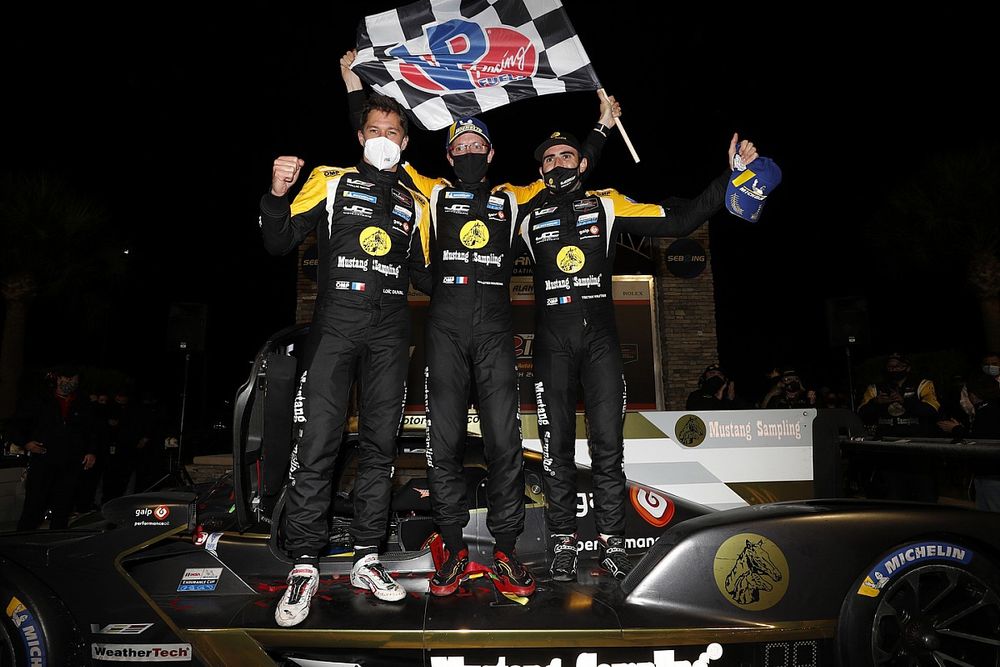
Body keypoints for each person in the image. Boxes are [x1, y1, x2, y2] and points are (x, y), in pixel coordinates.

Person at [339, 51, 618, 597]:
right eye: (459, 146)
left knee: (503, 444)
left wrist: (602, 129)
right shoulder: (432, 192)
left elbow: (565, 173)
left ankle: (508, 550)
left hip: (493, 333)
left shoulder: (513, 199)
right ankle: (454, 550)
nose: (468, 151)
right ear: (448, 154)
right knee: (442, 444)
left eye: (477, 145)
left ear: (490, 153)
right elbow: (379, 151)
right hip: (442, 332)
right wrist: (354, 89)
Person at [520, 129, 760, 581]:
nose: (558, 163)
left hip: (600, 345)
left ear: (582, 163)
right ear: (540, 170)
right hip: (552, 345)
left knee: (608, 447)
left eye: (567, 155)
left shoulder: (607, 203)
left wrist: (730, 177)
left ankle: (612, 542)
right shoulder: (525, 217)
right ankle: (564, 544)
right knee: (556, 451)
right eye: (549, 158)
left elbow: (679, 221)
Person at [259, 93, 431, 626]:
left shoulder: (415, 200)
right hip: (336, 322)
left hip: (390, 329)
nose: (384, 140)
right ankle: (305, 563)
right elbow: (278, 241)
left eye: (393, 134)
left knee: (381, 446)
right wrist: (276, 194)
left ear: (405, 142)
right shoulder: (331, 180)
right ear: (361, 137)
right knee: (320, 441)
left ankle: (367, 557)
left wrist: (472, 265)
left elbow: (425, 276)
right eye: (375, 131)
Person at [13, 366, 97, 530]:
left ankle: (56, 541)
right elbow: (17, 424)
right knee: (34, 505)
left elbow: (92, 429)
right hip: (44, 460)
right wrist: (26, 442)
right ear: (57, 379)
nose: (69, 382)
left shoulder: (82, 402)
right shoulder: (40, 399)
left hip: (70, 462)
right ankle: (22, 541)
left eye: (73, 378)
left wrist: (91, 451)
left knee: (63, 507)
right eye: (65, 377)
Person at [857, 352, 940, 501]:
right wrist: (875, 403)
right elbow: (860, 412)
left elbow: (933, 410)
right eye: (890, 366)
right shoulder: (875, 388)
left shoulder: (923, 384)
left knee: (924, 490)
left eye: (898, 366)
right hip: (888, 447)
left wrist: (905, 402)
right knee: (892, 491)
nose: (894, 369)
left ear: (907, 367)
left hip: (917, 445)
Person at [937, 372, 1000, 511]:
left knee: (992, 513)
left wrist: (956, 429)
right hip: (988, 473)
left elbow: (981, 439)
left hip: (991, 474)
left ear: (972, 395)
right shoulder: (988, 409)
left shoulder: (987, 411)